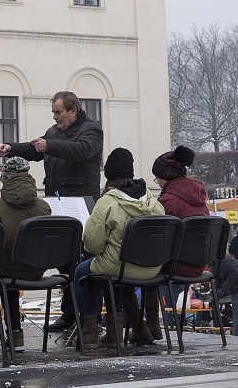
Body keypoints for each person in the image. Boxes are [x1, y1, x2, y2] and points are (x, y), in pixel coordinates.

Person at [0, 91, 103, 331]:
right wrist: (12, 148)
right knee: (66, 261)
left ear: (73, 111)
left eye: (58, 112)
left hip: (81, 203)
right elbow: (36, 150)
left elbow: (81, 151)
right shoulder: (54, 132)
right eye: (53, 112)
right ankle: (69, 315)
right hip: (57, 202)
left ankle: (89, 318)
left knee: (84, 259)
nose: (54, 117)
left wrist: (49, 145)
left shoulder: (92, 130)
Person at [72, 148, 165, 349]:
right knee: (111, 271)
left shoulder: (108, 201)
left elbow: (92, 244)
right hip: (152, 269)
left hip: (119, 267)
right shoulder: (152, 201)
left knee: (83, 271)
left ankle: (88, 334)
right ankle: (128, 331)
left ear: (108, 176)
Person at [0, 157, 52, 354]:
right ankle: (16, 336)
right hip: (36, 271)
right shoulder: (44, 207)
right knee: (11, 275)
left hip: (5, 270)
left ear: (5, 179)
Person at [139, 145, 209, 342]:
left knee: (139, 267)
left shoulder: (168, 201)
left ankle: (146, 328)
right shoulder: (201, 198)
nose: (158, 183)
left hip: (176, 267)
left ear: (166, 177)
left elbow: (157, 241)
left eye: (158, 178)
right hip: (199, 265)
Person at [211, 255, 238, 336]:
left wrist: (222, 290)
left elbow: (234, 273)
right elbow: (218, 281)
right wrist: (216, 296)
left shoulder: (224, 260)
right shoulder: (215, 264)